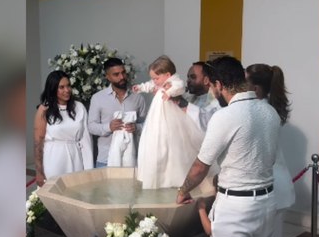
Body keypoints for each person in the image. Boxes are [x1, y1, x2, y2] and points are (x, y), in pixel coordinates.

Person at [176, 56, 281, 237]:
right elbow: (264, 158)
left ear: (219, 84)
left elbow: (200, 167)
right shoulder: (269, 112)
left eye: (212, 86)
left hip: (236, 207)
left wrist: (183, 190)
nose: (212, 91)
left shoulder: (225, 116)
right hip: (266, 202)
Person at [246, 63, 296, 237]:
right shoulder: (268, 109)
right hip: (275, 187)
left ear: (255, 87)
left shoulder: (259, 112)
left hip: (272, 189)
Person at [133, 55, 205, 189]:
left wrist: (170, 92)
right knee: (154, 139)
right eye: (153, 78)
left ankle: (172, 176)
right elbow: (149, 85)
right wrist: (140, 87)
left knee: (171, 141)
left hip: (170, 115)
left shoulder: (174, 81)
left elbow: (180, 87)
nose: (154, 81)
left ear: (167, 75)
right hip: (157, 116)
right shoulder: (158, 83)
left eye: (156, 78)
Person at [34, 70, 93, 186]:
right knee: (55, 191)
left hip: (76, 157)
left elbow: (86, 140)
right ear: (52, 89)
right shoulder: (44, 109)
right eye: (61, 87)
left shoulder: (79, 107)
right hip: (53, 158)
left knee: (77, 191)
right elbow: (38, 142)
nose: (67, 90)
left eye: (68, 86)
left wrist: (89, 169)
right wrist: (39, 172)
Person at [88, 58, 147, 168]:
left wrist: (137, 127)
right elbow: (91, 127)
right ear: (107, 76)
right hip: (105, 160)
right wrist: (109, 127)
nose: (122, 77)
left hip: (131, 159)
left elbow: (147, 125)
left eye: (123, 72)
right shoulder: (97, 98)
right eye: (116, 74)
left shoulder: (138, 98)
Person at [182, 61, 221, 131]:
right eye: (188, 77)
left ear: (206, 80)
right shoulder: (187, 99)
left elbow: (205, 120)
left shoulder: (217, 101)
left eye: (193, 77)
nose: (188, 81)